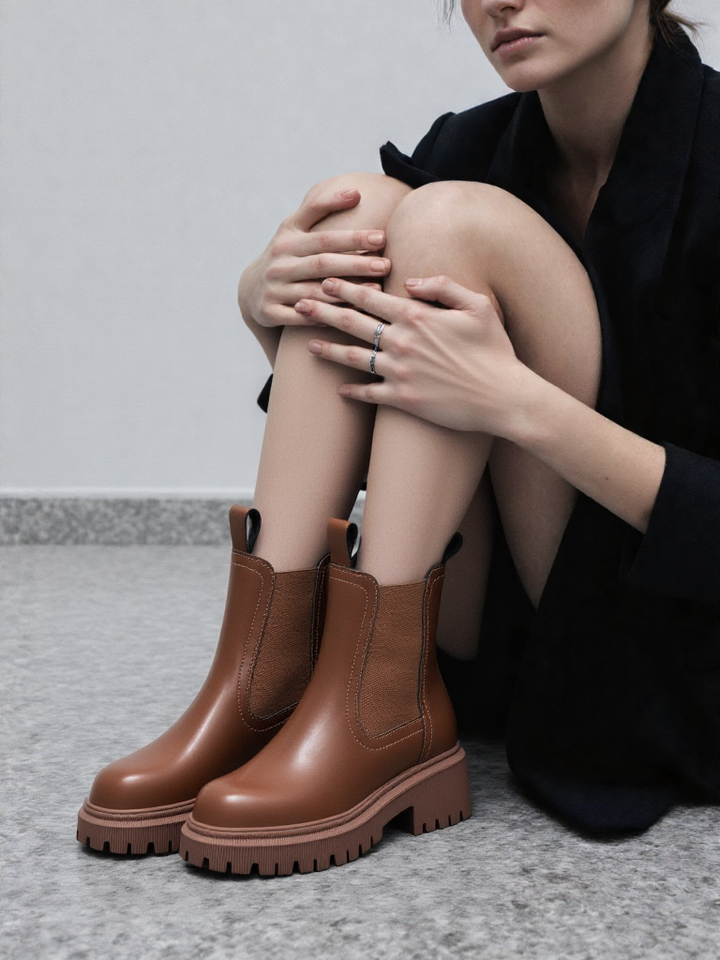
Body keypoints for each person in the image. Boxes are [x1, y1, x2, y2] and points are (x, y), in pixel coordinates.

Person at [77, 0, 719, 873]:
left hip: (671, 663)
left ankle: (373, 711)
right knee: (356, 217)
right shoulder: (469, 148)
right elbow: (374, 406)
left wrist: (515, 402)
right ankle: (261, 686)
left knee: (450, 222)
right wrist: (263, 301)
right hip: (485, 642)